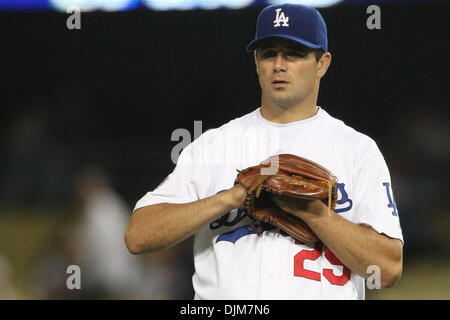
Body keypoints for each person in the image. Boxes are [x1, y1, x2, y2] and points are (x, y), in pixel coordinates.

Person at [125, 3, 403, 300]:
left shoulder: (357, 150)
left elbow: (387, 269)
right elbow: (138, 236)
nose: (279, 65)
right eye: (269, 53)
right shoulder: (214, 145)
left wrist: (311, 212)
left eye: (294, 53)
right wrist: (231, 197)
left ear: (322, 63)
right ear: (256, 61)